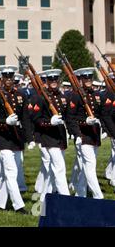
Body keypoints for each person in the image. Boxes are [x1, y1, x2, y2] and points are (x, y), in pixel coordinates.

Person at [0, 65, 30, 214]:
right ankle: (19, 205)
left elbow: (25, 117)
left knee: (11, 173)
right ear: (1, 79)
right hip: (4, 138)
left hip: (17, 138)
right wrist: (5, 122)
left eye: (11, 77)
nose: (9, 80)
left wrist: (29, 137)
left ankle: (0, 204)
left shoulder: (21, 95)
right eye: (6, 77)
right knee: (12, 173)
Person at [66, 68, 111, 199]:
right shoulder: (75, 96)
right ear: (80, 80)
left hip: (94, 136)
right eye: (85, 79)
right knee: (90, 166)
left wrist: (105, 130)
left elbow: (103, 114)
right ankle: (98, 196)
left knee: (88, 166)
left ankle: (80, 193)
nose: (88, 81)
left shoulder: (97, 95)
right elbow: (70, 118)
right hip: (83, 136)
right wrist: (78, 133)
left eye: (90, 78)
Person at [29, 69, 70, 201]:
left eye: (55, 80)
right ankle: (66, 199)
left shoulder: (62, 97)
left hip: (60, 137)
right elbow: (35, 118)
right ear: (46, 82)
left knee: (53, 170)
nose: (53, 82)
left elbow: (68, 116)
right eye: (50, 80)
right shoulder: (40, 97)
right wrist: (49, 122)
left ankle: (43, 198)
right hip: (48, 137)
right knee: (59, 168)